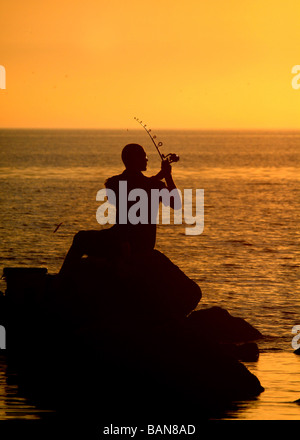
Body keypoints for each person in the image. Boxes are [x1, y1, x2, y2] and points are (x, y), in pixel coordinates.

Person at [59, 143, 181, 276]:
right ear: (134, 159)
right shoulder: (155, 185)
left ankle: (61, 280)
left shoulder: (115, 182)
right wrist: (167, 176)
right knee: (82, 239)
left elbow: (134, 188)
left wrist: (160, 176)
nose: (147, 159)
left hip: (122, 240)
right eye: (143, 156)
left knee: (80, 238)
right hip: (143, 243)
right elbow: (176, 203)